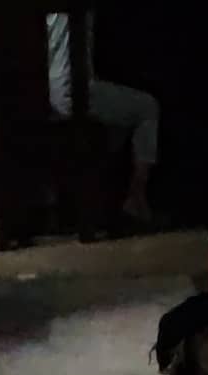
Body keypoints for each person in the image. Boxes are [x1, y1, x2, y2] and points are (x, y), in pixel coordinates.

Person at [46, 11, 157, 226]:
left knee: (115, 123)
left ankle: (101, 198)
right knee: (148, 108)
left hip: (44, 93)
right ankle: (136, 198)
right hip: (72, 92)